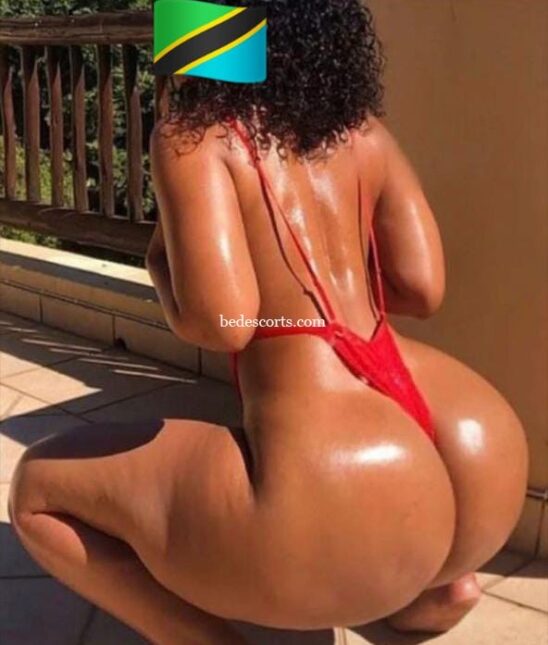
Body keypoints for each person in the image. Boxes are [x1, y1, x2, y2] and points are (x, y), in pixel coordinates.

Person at [9, 1, 528, 643]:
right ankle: (438, 587)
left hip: (347, 468)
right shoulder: (363, 131)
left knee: (37, 490)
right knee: (411, 549)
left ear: (201, 34)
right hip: (477, 450)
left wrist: (160, 266)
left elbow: (223, 322)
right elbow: (423, 289)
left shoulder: (197, 138)